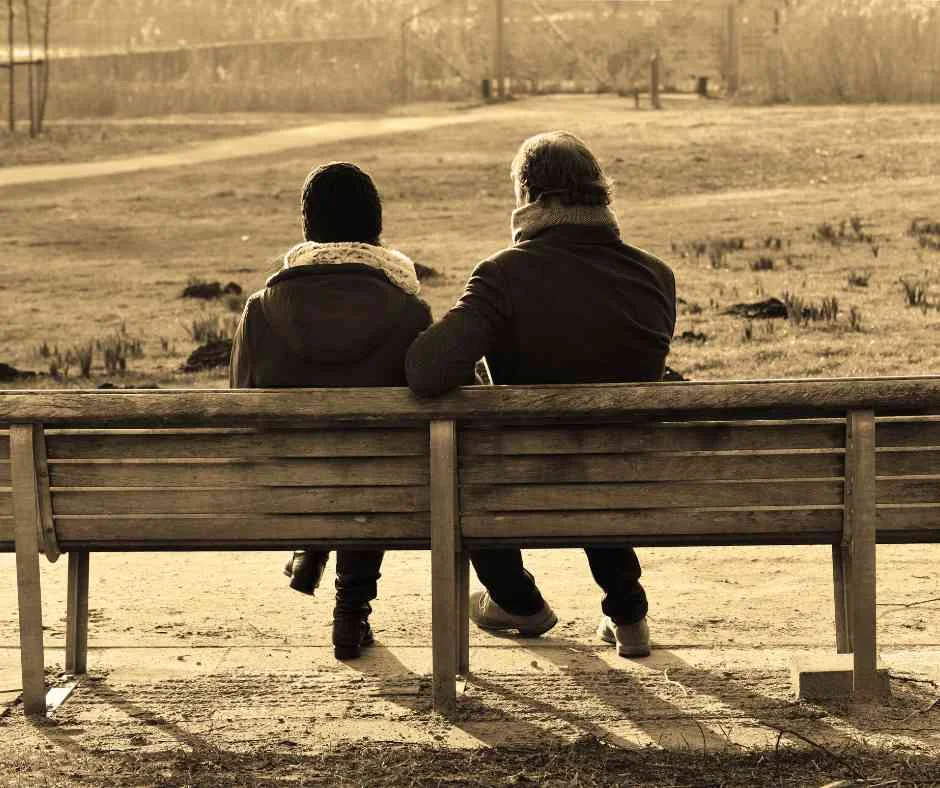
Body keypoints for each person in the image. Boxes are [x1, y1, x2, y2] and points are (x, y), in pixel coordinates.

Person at [405, 131, 676, 657]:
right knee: (601, 439)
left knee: (464, 455)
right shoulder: (657, 276)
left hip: (522, 480)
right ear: (600, 195)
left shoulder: (504, 274)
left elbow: (425, 369)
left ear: (533, 198)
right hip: (630, 479)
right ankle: (628, 612)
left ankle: (517, 600)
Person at [230, 162, 432, 660]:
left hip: (287, 486)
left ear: (308, 228)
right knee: (372, 463)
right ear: (376, 228)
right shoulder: (408, 308)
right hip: (380, 484)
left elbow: (239, 399)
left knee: (332, 461)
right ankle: (352, 610)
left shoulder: (260, 307)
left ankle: (312, 545)